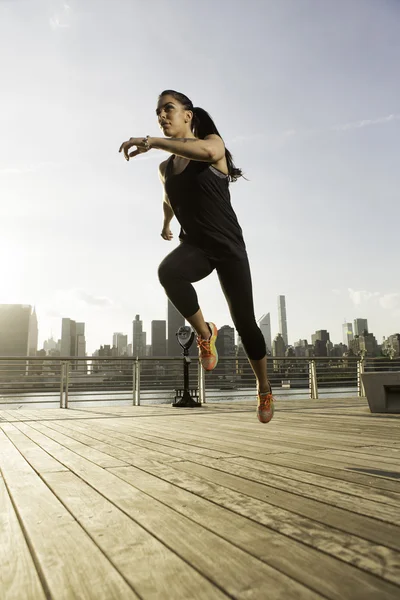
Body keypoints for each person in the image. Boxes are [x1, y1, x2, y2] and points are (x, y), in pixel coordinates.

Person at [119, 90, 274, 423]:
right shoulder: (165, 167)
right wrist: (165, 224)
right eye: (158, 112)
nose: (162, 116)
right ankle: (206, 334)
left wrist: (152, 141)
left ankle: (264, 388)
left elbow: (205, 151)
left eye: (168, 109)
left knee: (246, 323)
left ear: (188, 115)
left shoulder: (212, 144)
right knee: (168, 272)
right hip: (197, 247)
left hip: (229, 247)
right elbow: (168, 197)